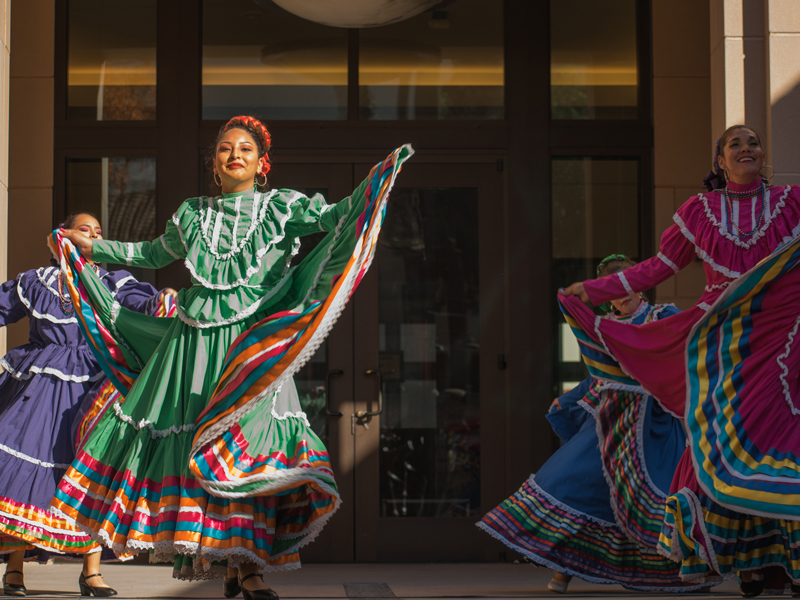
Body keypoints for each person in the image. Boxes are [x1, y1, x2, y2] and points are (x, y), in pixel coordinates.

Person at [50, 116, 412, 600]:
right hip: (193, 346)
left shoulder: (283, 207)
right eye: (224, 149)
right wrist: (93, 246)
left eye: (245, 148)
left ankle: (248, 564)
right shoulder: (192, 216)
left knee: (247, 451)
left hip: (253, 347)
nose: (234, 153)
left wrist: (376, 181)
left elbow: (336, 217)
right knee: (199, 451)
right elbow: (153, 253)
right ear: (214, 166)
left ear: (262, 164)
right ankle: (227, 561)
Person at [559, 125, 800, 596]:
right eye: (736, 144)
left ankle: (786, 562)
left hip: (781, 343)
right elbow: (658, 268)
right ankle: (747, 561)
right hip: (720, 347)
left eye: (753, 143)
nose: (747, 149)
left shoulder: (793, 202)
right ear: (720, 162)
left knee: (782, 441)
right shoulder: (699, 211)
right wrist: (594, 290)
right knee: (720, 444)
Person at [479, 256, 703, 593]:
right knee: (575, 482)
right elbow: (599, 375)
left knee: (662, 496)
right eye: (612, 289)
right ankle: (563, 570)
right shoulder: (601, 326)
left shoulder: (663, 317)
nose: (622, 294)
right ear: (605, 294)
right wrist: (570, 397)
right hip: (612, 419)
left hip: (656, 423)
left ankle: (676, 573)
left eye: (626, 284)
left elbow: (688, 357)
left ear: (639, 285)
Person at [0, 213, 173, 597]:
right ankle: (14, 568)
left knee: (90, 470)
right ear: (62, 236)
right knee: (29, 466)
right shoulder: (36, 282)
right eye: (84, 230)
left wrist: (165, 301)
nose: (92, 236)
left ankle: (91, 571)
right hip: (41, 385)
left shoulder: (110, 283)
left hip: (96, 383)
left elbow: (142, 304)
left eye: (98, 233)